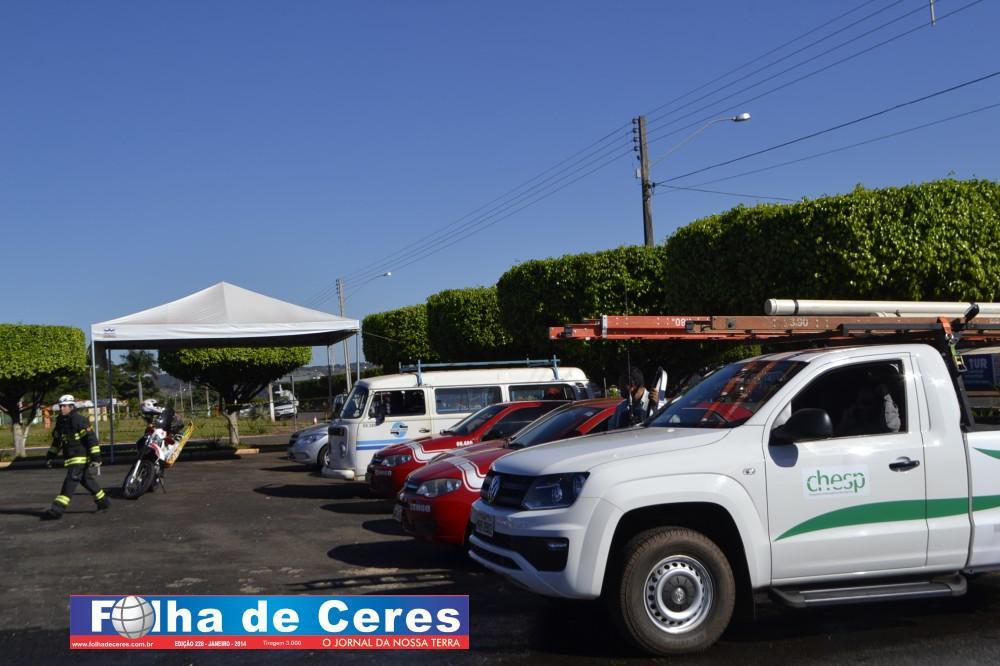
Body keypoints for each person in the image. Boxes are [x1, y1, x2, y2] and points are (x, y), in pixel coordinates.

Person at [43, 394, 110, 519]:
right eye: (60, 406)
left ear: (71, 406)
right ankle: (103, 502)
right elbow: (57, 441)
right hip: (70, 456)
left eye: (64, 406)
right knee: (86, 480)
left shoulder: (79, 420)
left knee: (70, 481)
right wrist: (50, 456)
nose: (62, 408)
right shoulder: (61, 421)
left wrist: (96, 457)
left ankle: (57, 509)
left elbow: (91, 439)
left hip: (80, 457)